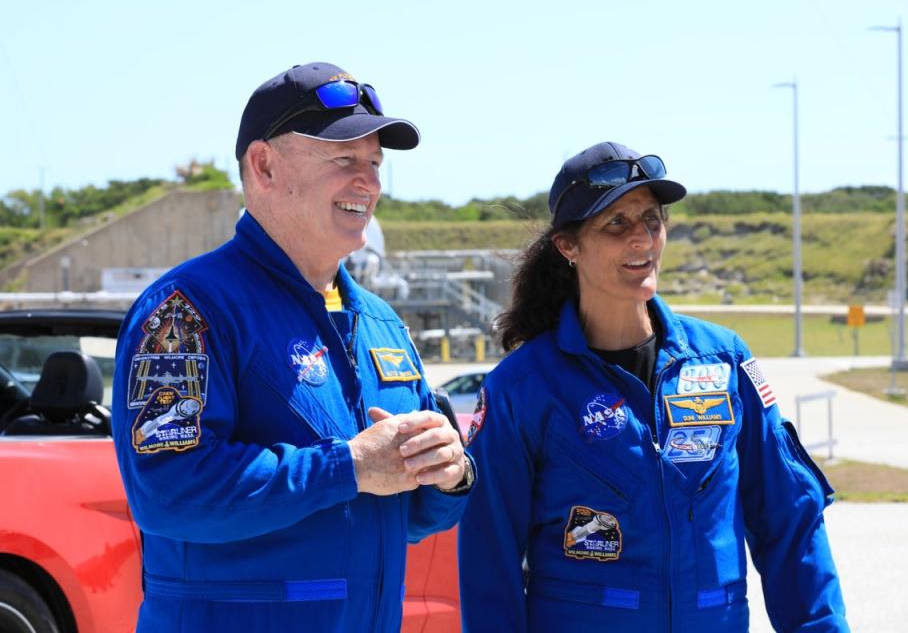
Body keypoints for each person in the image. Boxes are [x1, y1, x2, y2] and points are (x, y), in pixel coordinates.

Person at [112, 61, 474, 633]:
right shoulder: (186, 310)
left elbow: (406, 513)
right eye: (344, 159)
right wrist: (349, 466)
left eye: (375, 164)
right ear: (263, 166)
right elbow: (168, 491)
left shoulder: (380, 323)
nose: (369, 183)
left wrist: (450, 475)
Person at [458, 142, 848, 632]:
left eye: (652, 219)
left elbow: (789, 519)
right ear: (568, 246)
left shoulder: (725, 360)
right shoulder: (522, 388)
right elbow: (486, 560)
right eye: (616, 223)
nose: (642, 238)